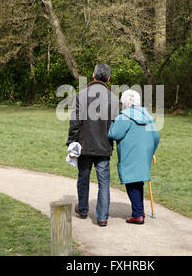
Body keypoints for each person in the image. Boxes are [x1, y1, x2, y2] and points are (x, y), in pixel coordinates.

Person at [66, 63, 119, 227]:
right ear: (108, 79)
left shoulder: (81, 96)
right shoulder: (114, 99)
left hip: (85, 144)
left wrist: (71, 143)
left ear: (93, 75)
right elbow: (116, 126)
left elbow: (75, 123)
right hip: (104, 146)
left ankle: (82, 209)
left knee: (83, 177)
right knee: (104, 182)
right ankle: (102, 217)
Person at [108, 89, 160, 224]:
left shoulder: (123, 116)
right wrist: (151, 151)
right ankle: (140, 210)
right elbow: (156, 137)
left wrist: (112, 123)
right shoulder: (147, 115)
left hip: (130, 153)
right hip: (144, 153)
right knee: (138, 181)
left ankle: (137, 215)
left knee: (132, 181)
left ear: (124, 103)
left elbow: (114, 134)